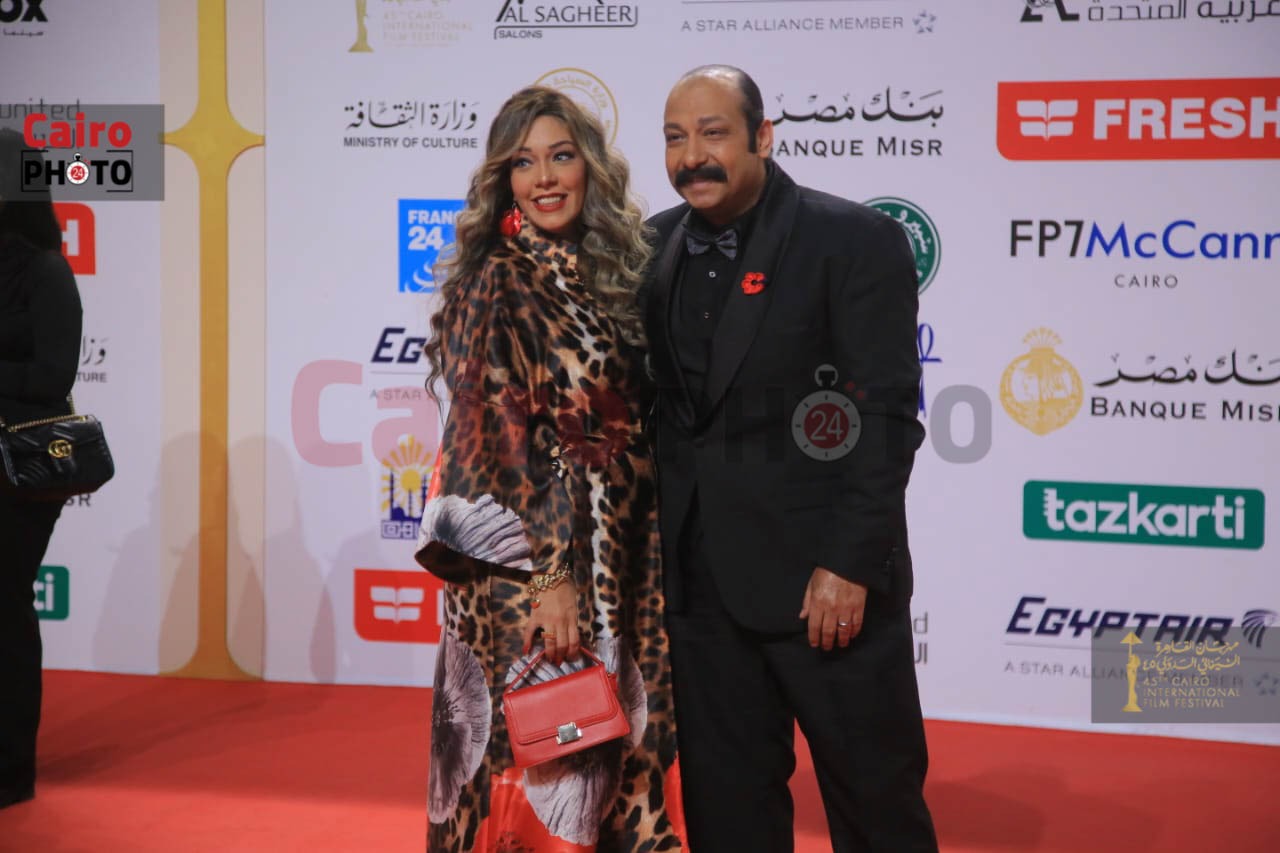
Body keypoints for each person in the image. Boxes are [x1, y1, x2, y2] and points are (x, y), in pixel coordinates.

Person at [642, 66, 938, 852]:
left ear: (763, 137)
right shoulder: (651, 245)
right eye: (675, 138)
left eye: (713, 133)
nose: (692, 155)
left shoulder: (853, 239)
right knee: (729, 815)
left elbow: (885, 419)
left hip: (825, 590)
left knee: (876, 808)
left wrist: (849, 562)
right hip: (701, 591)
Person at [414, 87, 685, 852]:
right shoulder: (496, 282)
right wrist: (550, 578)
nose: (545, 178)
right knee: (544, 755)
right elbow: (488, 452)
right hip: (531, 573)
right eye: (523, 163)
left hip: (621, 566)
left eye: (560, 156)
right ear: (503, 182)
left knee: (617, 757)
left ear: (589, 165)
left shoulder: (609, 274)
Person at [0, 129, 82, 809]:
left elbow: (53, 376)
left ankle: (10, 770)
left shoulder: (47, 271)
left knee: (4, 604)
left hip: (21, 471)